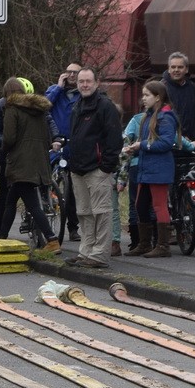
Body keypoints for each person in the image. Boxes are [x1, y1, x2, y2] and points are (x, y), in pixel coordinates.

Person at [64, 68, 122, 268]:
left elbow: (114, 140)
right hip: (78, 169)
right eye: (81, 81)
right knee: (84, 213)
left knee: (102, 213)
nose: (84, 85)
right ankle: (85, 252)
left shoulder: (105, 107)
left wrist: (106, 167)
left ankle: (99, 255)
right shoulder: (77, 105)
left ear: (97, 83)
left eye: (88, 81)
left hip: (97, 170)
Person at [0, 78, 61, 252]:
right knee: (11, 201)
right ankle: (1, 237)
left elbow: (9, 138)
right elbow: (47, 136)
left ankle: (52, 239)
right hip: (39, 161)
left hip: (21, 163)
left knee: (32, 204)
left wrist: (3, 151)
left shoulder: (12, 108)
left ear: (7, 94)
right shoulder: (39, 110)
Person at [123, 81, 179, 258]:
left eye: (147, 95)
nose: (143, 98)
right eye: (143, 94)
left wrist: (142, 145)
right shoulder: (148, 116)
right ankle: (145, 243)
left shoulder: (165, 117)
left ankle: (163, 245)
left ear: (157, 97)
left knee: (159, 205)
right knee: (140, 204)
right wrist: (136, 146)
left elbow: (166, 142)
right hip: (145, 168)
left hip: (159, 168)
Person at [45, 62, 83, 241]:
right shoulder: (55, 91)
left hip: (75, 146)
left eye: (76, 72)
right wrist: (58, 88)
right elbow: (43, 107)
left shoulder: (83, 93)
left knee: (73, 190)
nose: (72, 75)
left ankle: (73, 227)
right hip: (55, 145)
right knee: (48, 182)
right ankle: (46, 217)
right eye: (69, 72)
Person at [161, 52, 195, 141]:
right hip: (169, 140)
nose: (176, 70)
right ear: (168, 69)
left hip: (190, 140)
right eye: (173, 67)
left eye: (180, 67)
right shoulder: (161, 88)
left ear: (186, 69)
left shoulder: (192, 88)